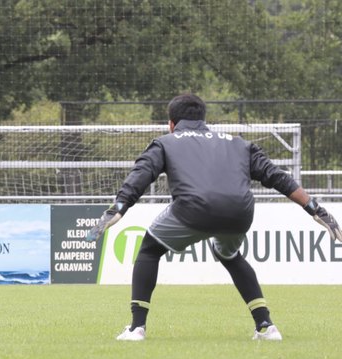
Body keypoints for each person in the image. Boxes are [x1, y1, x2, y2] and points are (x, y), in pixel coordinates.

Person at [86, 93, 342, 340]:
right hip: (240, 213)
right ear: (203, 120)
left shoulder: (166, 141)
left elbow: (142, 174)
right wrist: (314, 208)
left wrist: (119, 207)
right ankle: (265, 326)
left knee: (149, 250)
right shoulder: (240, 143)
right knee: (229, 255)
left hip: (192, 211)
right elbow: (277, 176)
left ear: (171, 123)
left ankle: (136, 328)